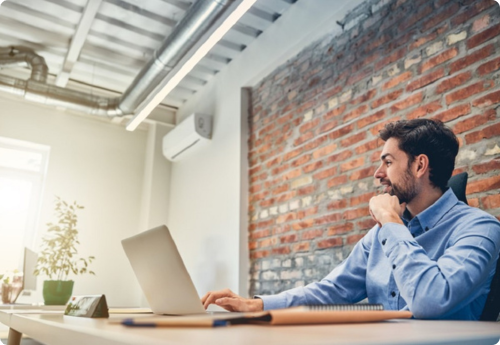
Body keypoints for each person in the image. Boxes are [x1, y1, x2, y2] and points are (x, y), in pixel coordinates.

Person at [201, 119, 500, 320]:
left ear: (420, 165)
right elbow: (332, 290)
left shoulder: (479, 229)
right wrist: (259, 304)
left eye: (388, 162)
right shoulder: (380, 235)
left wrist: (390, 221)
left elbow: (431, 300)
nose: (377, 174)